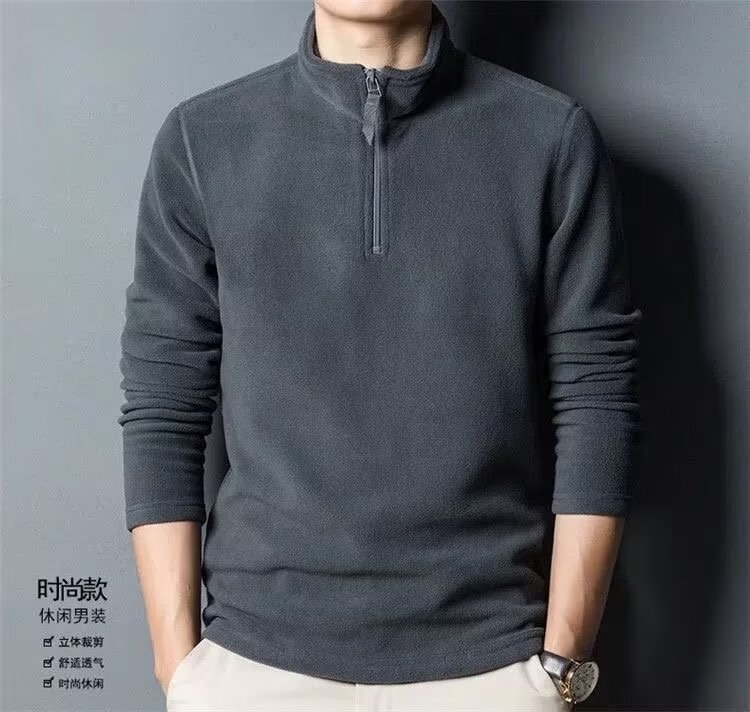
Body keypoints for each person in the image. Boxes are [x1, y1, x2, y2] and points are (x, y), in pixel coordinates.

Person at [117, 1, 642, 710]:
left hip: (489, 664)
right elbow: (164, 402)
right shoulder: (202, 139)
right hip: (253, 663)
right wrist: (180, 667)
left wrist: (561, 663)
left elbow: (597, 398)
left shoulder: (549, 136)